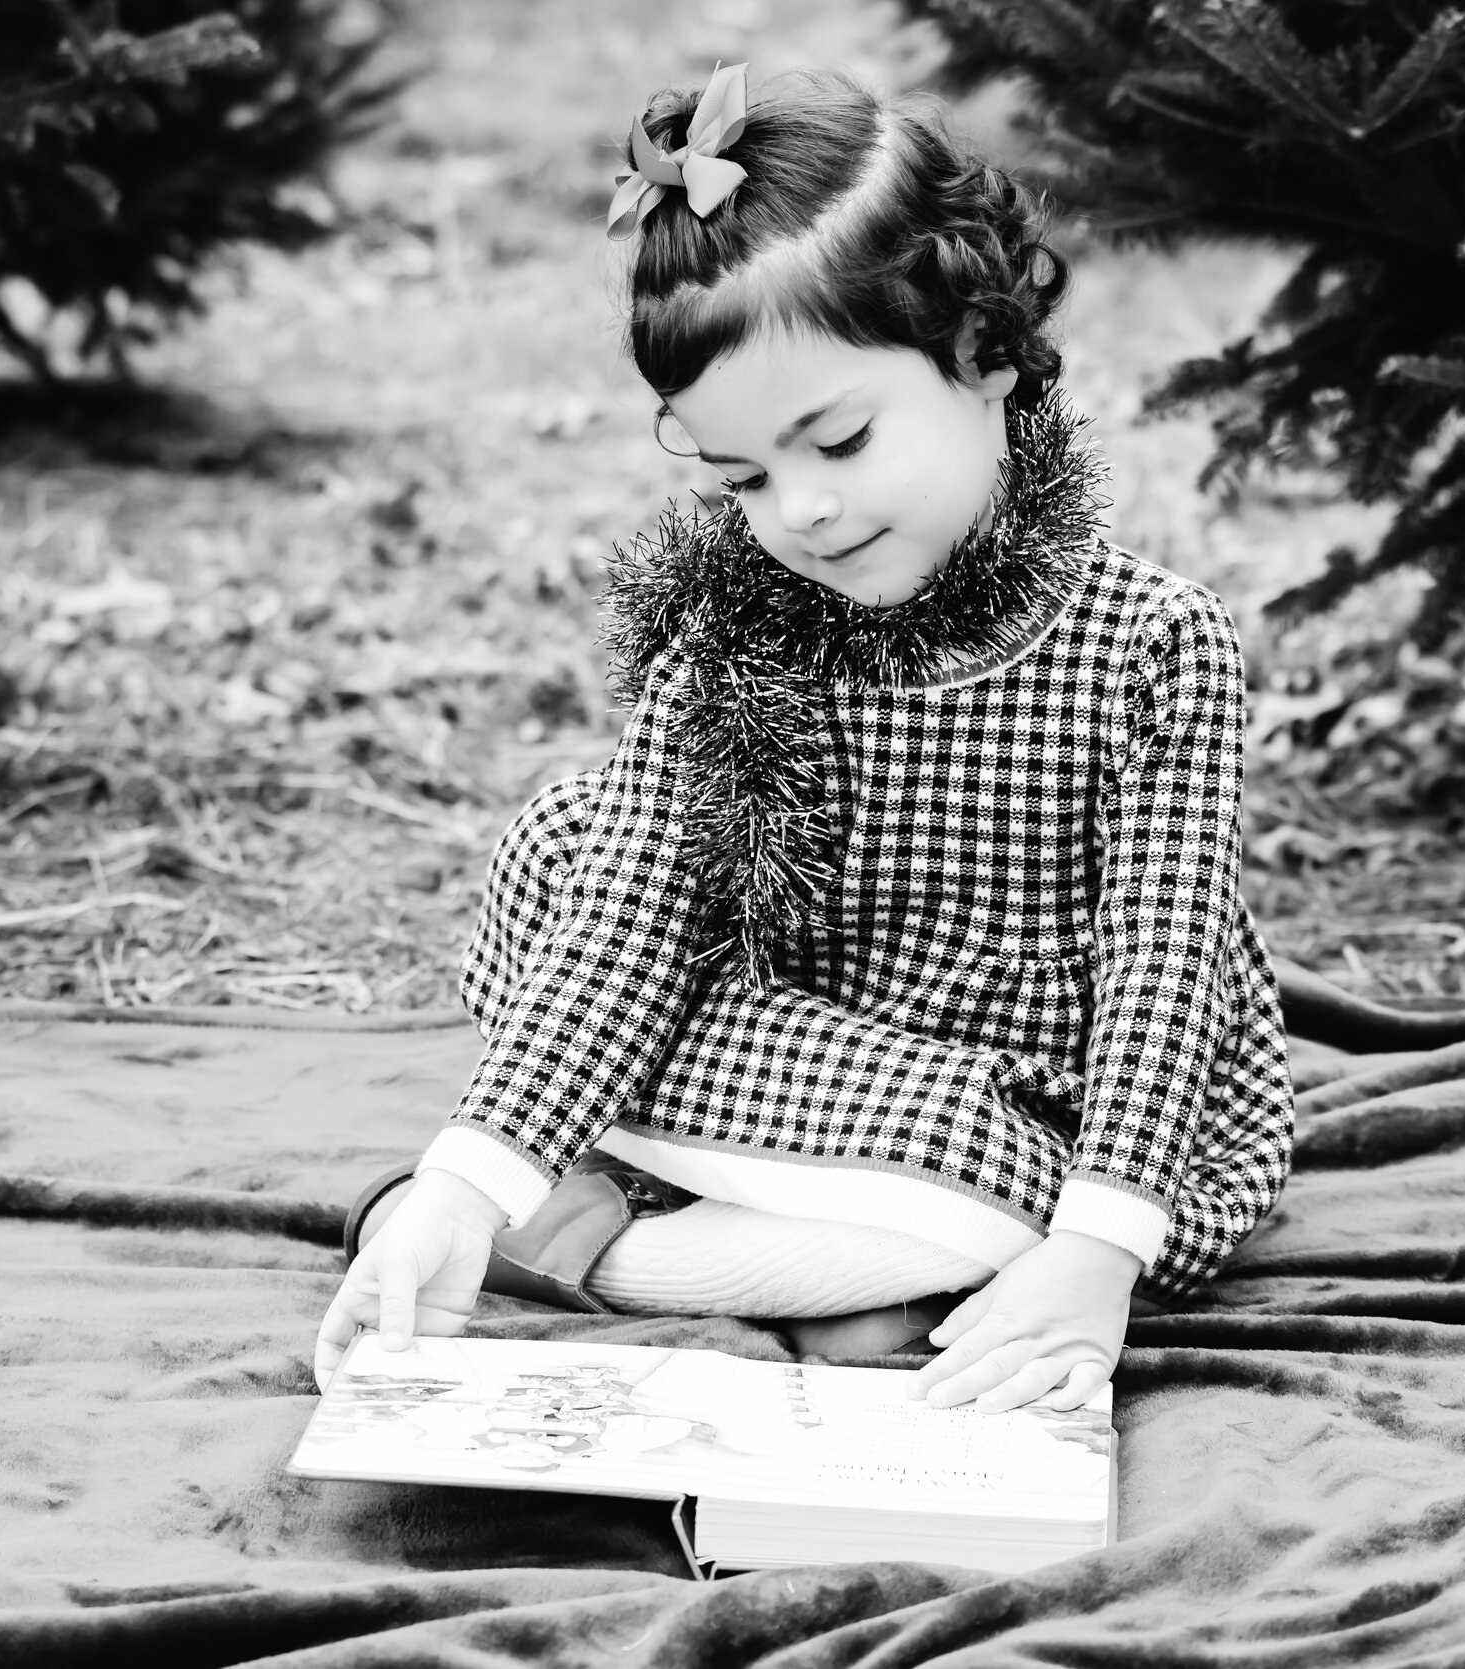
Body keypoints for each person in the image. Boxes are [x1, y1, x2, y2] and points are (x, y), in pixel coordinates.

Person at [315, 62, 1295, 1416]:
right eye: (746, 477)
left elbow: (1162, 963)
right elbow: (633, 925)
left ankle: (639, 1244)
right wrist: (456, 1181)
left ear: (986, 352)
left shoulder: (1152, 645)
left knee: (1016, 1206)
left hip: (1035, 1081)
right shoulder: (740, 626)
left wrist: (1098, 1248)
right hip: (795, 1038)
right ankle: (600, 1222)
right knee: (570, 871)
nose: (807, 511)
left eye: (838, 439)